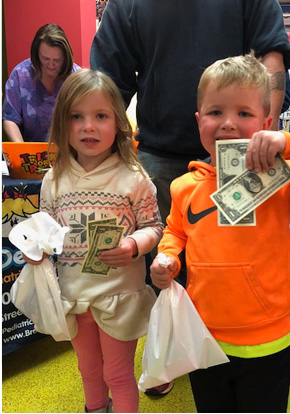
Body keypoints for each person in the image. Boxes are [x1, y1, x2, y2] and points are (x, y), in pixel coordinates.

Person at [149, 54, 290, 413]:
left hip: (268, 342)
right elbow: (176, 230)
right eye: (216, 112)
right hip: (204, 341)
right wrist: (167, 255)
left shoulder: (284, 180)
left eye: (244, 114)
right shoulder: (184, 186)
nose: (229, 124)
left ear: (266, 122)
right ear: (199, 120)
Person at [21, 69, 163, 412]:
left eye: (100, 116)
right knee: (88, 370)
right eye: (77, 116)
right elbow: (47, 231)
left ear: (118, 123)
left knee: (117, 374)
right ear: (62, 124)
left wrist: (133, 246)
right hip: (73, 297)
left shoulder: (134, 178)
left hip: (119, 299)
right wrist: (36, 249)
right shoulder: (54, 180)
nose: (88, 126)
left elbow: (155, 226)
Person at [90, 0, 290, 232]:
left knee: (237, 254)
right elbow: (108, 78)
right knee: (164, 257)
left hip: (237, 155)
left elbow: (271, 55)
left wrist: (266, 136)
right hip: (161, 155)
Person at [3, 23, 81, 142]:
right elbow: (10, 118)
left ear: (65, 57)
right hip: (31, 153)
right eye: (45, 59)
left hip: (69, 152)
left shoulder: (76, 78)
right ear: (36, 55)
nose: (51, 65)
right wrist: (22, 150)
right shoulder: (20, 75)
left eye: (57, 60)